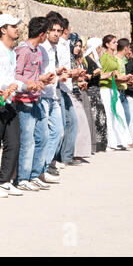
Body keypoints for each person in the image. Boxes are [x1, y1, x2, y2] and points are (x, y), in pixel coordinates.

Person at [0, 14, 25, 197]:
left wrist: (25, 85)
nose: (17, 29)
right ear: (3, 30)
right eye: (13, 26)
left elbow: (12, 79)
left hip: (9, 102)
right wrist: (4, 87)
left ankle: (4, 180)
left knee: (14, 142)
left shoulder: (11, 51)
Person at [13, 16, 51, 191]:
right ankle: (22, 178)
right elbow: (16, 75)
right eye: (47, 33)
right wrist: (30, 83)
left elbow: (32, 75)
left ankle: (35, 174)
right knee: (28, 142)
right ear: (42, 34)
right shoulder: (24, 50)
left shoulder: (38, 51)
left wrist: (42, 79)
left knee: (43, 138)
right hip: (24, 102)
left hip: (36, 99)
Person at [38, 15, 67, 182]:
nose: (56, 34)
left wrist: (59, 74)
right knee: (43, 135)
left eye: (59, 31)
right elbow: (37, 74)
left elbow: (49, 73)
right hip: (41, 96)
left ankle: (45, 166)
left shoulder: (55, 49)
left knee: (58, 131)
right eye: (53, 31)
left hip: (52, 95)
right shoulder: (41, 49)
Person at [99, 34, 132, 150]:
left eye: (116, 42)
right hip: (105, 89)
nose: (116, 44)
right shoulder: (104, 57)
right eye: (113, 42)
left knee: (118, 114)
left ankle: (119, 141)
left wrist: (125, 78)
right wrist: (112, 75)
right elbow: (100, 74)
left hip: (113, 88)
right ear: (107, 44)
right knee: (109, 114)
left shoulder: (114, 58)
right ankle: (109, 142)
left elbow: (116, 75)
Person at [56, 17, 80, 166]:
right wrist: (71, 73)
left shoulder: (65, 45)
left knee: (72, 123)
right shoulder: (59, 45)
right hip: (59, 87)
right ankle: (56, 159)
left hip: (66, 88)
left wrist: (75, 74)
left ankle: (65, 157)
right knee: (61, 126)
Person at [68, 34, 92, 162]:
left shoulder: (76, 59)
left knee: (81, 123)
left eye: (79, 46)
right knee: (76, 123)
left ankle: (78, 153)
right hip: (69, 92)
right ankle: (72, 154)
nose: (78, 48)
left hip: (76, 91)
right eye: (75, 45)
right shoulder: (68, 58)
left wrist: (79, 81)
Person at [83, 38, 109, 152]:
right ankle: (94, 145)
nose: (100, 50)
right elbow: (86, 76)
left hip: (96, 93)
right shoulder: (87, 60)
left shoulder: (95, 60)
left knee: (101, 118)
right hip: (90, 93)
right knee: (94, 119)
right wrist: (95, 73)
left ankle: (100, 145)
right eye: (99, 48)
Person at [115, 38, 132, 129]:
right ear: (126, 48)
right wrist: (125, 79)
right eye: (129, 48)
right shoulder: (115, 60)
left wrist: (129, 80)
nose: (129, 51)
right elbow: (114, 79)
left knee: (127, 119)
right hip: (117, 92)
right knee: (122, 120)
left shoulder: (122, 60)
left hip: (123, 92)